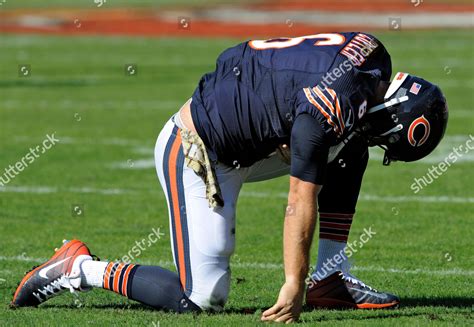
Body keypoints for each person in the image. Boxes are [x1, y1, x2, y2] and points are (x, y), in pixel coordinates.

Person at [11, 32, 448, 323]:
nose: (379, 145)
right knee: (203, 296)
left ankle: (330, 275)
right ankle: (79, 268)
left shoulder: (374, 58)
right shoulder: (330, 105)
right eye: (385, 140)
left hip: (249, 137)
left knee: (348, 141)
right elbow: (299, 199)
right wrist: (292, 283)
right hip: (198, 151)